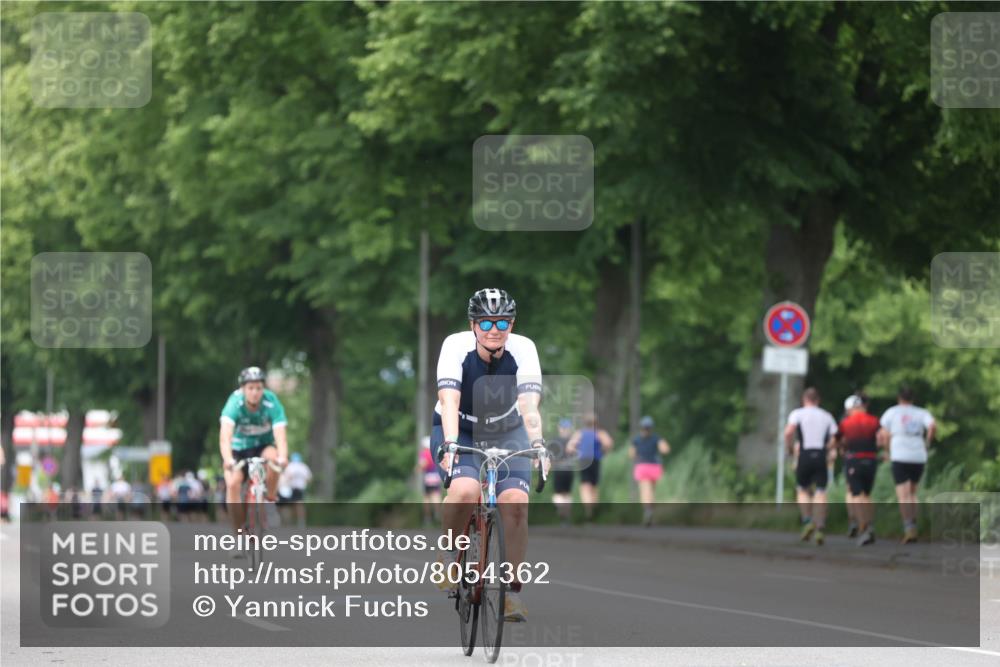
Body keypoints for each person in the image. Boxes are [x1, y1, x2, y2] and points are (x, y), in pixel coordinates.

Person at [432, 288, 545, 623]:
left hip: (508, 430)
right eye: (486, 321)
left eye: (502, 321)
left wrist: (538, 442)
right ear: (473, 324)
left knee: (515, 504)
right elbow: (449, 400)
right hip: (461, 427)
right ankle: (451, 555)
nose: (494, 328)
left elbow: (528, 405)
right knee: (466, 490)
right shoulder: (455, 346)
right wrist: (451, 444)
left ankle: (511, 593)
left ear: (512, 323)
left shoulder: (524, 349)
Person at [219, 366, 288, 549]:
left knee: (274, 459)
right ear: (243, 389)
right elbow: (225, 436)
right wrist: (228, 459)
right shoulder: (234, 403)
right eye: (250, 388)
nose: (255, 392)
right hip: (238, 449)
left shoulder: (271, 402)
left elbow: (280, 433)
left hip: (262, 446)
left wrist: (283, 456)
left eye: (259, 388)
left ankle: (270, 499)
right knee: (233, 483)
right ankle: (239, 536)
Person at [878, 385, 936, 544]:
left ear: (899, 398)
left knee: (903, 494)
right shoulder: (921, 412)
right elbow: (932, 426)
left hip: (899, 454)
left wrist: (887, 450)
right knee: (912, 493)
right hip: (918, 455)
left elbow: (883, 433)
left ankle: (909, 527)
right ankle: (914, 524)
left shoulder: (892, 412)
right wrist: (927, 442)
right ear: (912, 398)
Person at [784, 387, 838, 545]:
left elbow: (788, 432)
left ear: (804, 400)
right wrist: (828, 448)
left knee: (802, 489)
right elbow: (835, 437)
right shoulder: (826, 415)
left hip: (804, 455)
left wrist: (789, 449)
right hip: (821, 455)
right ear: (818, 400)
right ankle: (820, 526)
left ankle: (808, 521)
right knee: (821, 491)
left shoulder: (798, 414)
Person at [836, 393, 880, 546]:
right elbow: (882, 437)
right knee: (867, 495)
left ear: (850, 409)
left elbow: (838, 441)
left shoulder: (846, 422)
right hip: (871, 459)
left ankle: (863, 527)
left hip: (854, 460)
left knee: (856, 495)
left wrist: (840, 449)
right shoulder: (874, 420)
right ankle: (870, 525)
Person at [566, 413, 613, 520]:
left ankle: (588, 510)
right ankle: (594, 509)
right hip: (595, 459)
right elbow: (608, 443)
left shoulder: (580, 433)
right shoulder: (600, 433)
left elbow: (569, 447)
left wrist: (578, 452)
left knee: (585, 486)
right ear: (596, 422)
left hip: (584, 461)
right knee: (594, 486)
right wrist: (603, 451)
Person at [630, 415, 671, 527]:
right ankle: (650, 513)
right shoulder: (656, 438)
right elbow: (665, 449)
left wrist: (637, 456)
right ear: (651, 427)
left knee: (644, 491)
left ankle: (647, 511)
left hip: (642, 466)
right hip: (654, 466)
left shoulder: (637, 440)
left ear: (641, 427)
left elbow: (631, 454)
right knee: (651, 492)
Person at [549, 419, 576, 525]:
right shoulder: (572, 441)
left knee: (558, 494)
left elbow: (551, 458)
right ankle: (566, 516)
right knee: (567, 493)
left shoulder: (554, 441)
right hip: (569, 469)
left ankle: (561, 514)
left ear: (560, 428)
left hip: (559, 469)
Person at [281, 452, 313, 528]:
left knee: (289, 506)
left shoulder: (290, 466)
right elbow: (309, 479)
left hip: (291, 488)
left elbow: (286, 478)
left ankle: (289, 522)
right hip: (300, 488)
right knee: (299, 505)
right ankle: (301, 522)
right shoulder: (304, 466)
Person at [416, 437, 441, 526]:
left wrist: (417, 469)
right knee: (436, 495)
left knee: (426, 498)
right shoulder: (435, 453)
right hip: (436, 476)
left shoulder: (424, 453)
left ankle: (428, 518)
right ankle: (437, 513)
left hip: (428, 477)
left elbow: (423, 464)